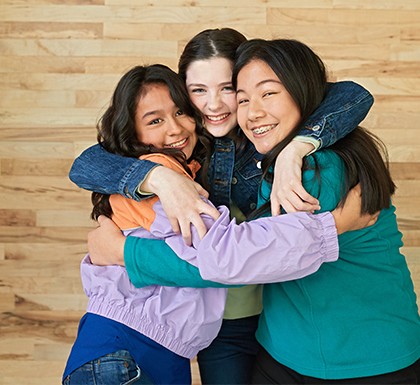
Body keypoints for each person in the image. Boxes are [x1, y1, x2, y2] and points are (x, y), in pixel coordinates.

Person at [95, 39, 420, 384]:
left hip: (363, 359)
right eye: (243, 99)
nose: (251, 112)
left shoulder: (322, 169)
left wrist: (123, 251)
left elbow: (233, 256)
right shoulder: (208, 154)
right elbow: (96, 157)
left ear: (303, 93)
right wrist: (160, 177)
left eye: (268, 93)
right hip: (283, 352)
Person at [63, 64, 364, 385]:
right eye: (155, 121)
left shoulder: (187, 167)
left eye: (181, 112)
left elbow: (348, 95)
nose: (176, 129)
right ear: (132, 134)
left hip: (149, 353)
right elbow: (222, 256)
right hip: (125, 351)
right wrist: (331, 226)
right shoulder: (159, 172)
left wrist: (296, 148)